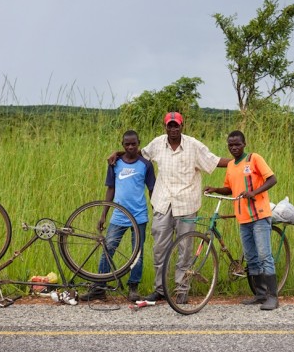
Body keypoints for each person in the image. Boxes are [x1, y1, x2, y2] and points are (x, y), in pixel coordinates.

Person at [109, 112, 229, 302]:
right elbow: (138, 153)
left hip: (186, 203)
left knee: (185, 247)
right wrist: (119, 154)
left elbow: (214, 161)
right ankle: (161, 289)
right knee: (160, 248)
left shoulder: (193, 146)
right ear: (165, 127)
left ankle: (182, 290)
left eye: (176, 126)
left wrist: (241, 161)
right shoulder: (158, 143)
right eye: (169, 126)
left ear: (182, 126)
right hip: (163, 203)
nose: (173, 129)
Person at [204, 130, 279, 310]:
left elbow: (272, 179)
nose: (234, 148)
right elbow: (230, 189)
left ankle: (273, 297)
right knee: (252, 257)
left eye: (237, 144)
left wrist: (254, 192)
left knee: (264, 256)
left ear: (244, 144)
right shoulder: (231, 165)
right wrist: (215, 189)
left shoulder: (254, 159)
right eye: (230, 145)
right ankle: (260, 295)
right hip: (243, 219)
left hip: (259, 215)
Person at [81, 130, 155, 302]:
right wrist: (103, 215)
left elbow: (152, 190)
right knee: (108, 249)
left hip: (139, 216)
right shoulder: (115, 163)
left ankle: (133, 287)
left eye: (134, 144)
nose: (130, 147)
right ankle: (99, 287)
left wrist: (156, 212)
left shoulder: (146, 165)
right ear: (122, 145)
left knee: (137, 252)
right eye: (127, 144)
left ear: (139, 143)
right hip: (118, 215)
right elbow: (111, 189)